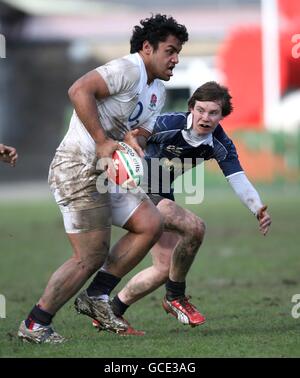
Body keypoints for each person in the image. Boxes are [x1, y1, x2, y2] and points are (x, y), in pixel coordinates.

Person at [17, 14, 188, 343]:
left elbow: (137, 132)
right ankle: (35, 324)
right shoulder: (128, 68)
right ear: (147, 48)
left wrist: (133, 147)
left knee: (150, 223)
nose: (175, 58)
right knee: (90, 255)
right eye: (170, 50)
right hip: (78, 167)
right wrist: (101, 141)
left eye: (178, 51)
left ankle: (96, 297)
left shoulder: (157, 91)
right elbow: (78, 90)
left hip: (108, 171)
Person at [91, 81, 272, 334]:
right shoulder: (168, 124)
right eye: (200, 110)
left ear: (222, 116)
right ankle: (175, 297)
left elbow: (237, 177)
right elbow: (130, 136)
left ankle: (110, 312)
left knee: (165, 268)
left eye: (213, 113)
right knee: (195, 227)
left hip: (163, 193)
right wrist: (127, 152)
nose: (205, 117)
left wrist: (257, 207)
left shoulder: (220, 144)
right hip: (138, 189)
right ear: (191, 108)